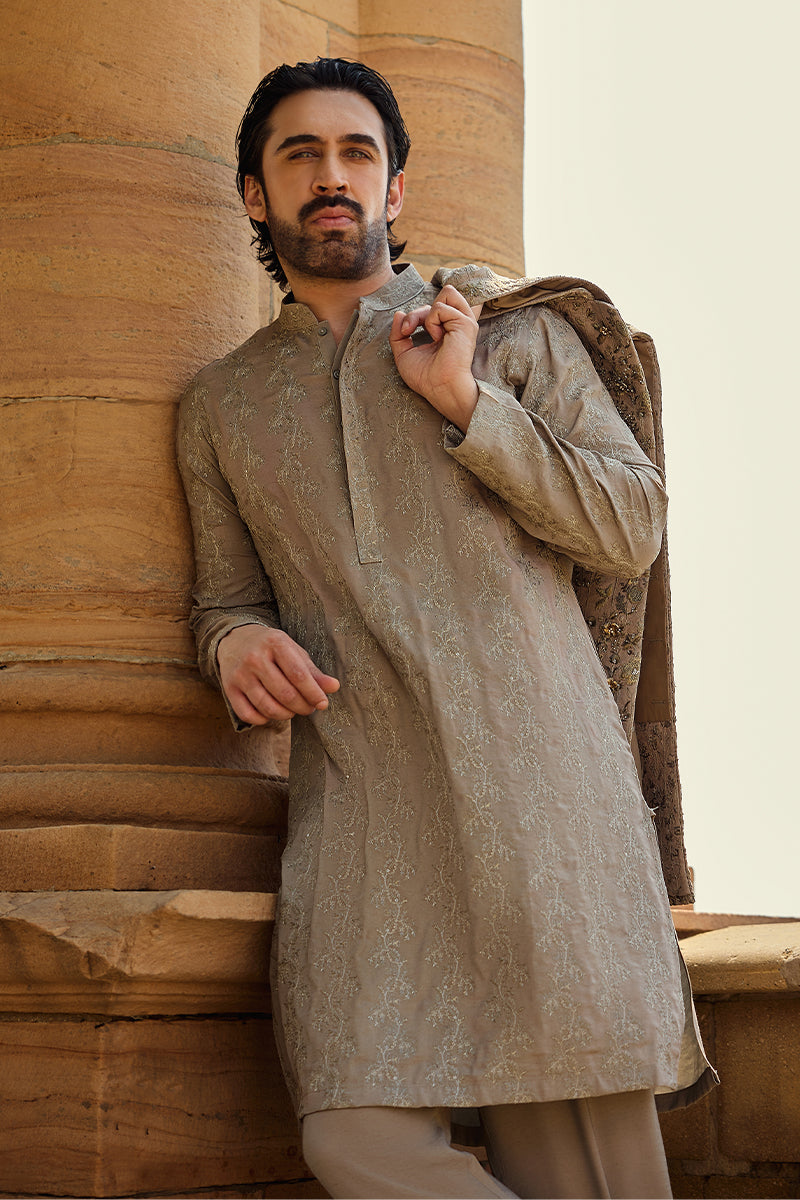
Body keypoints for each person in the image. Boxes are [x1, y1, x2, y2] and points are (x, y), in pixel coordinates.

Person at [177, 57, 716, 1200]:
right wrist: (233, 647)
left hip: (545, 819)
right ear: (254, 195)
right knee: (350, 1136)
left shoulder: (507, 335)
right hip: (367, 827)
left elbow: (629, 524)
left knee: (587, 1176)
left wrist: (469, 403)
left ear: (394, 189)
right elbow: (224, 597)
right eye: (299, 156)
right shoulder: (222, 405)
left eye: (355, 154)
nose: (330, 177)